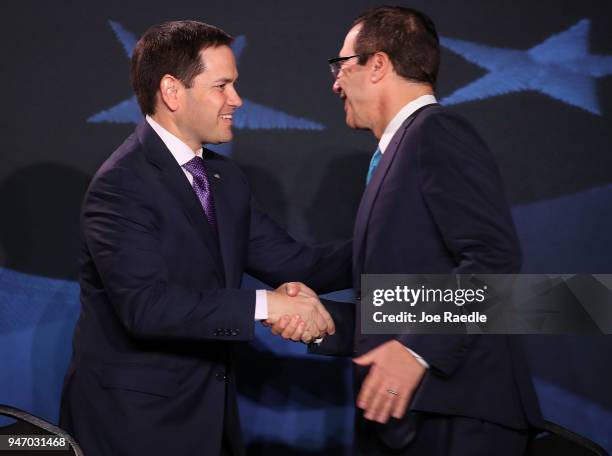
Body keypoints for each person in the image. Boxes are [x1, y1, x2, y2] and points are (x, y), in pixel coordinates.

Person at [59, 20, 351, 456]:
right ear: (173, 91)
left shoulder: (224, 178)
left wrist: (380, 243)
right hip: (133, 429)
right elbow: (147, 307)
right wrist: (269, 304)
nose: (237, 99)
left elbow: (298, 265)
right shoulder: (121, 184)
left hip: (209, 423)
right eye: (222, 86)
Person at [272, 6, 542, 455]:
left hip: (455, 414)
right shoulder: (400, 150)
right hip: (408, 416)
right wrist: (321, 323)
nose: (334, 82)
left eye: (341, 65)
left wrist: (418, 352)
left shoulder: (437, 132)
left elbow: (494, 260)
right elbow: (399, 309)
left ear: (378, 64)